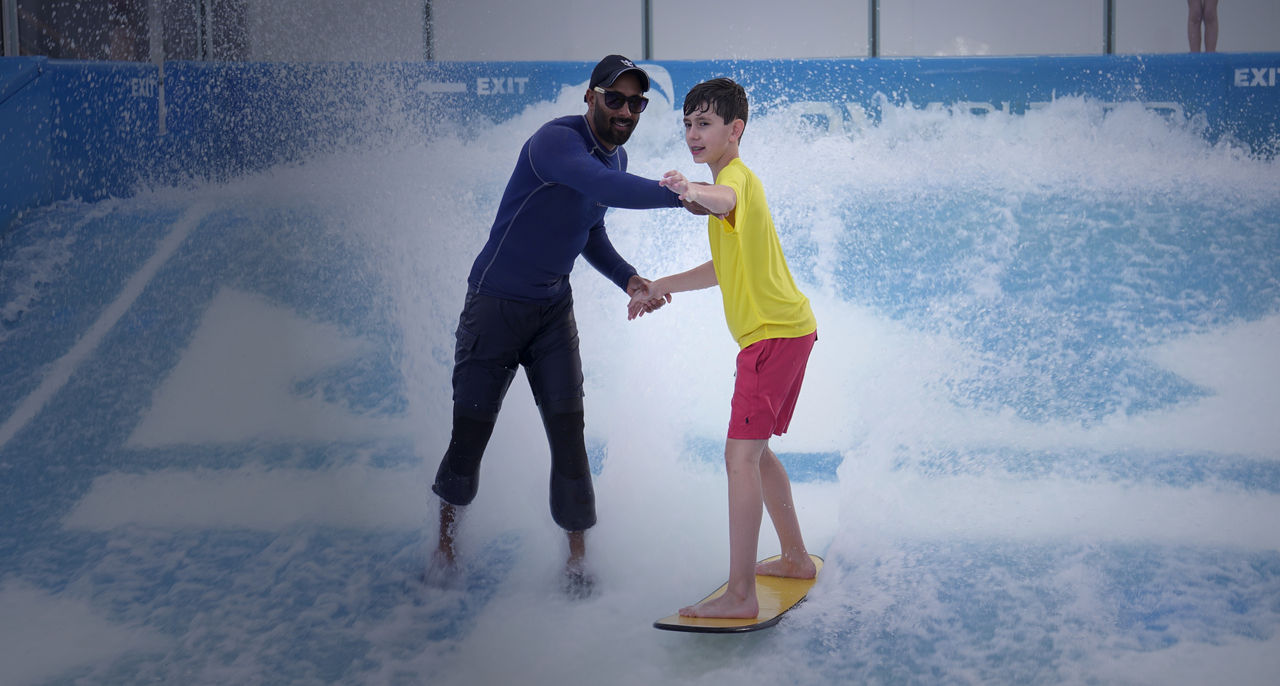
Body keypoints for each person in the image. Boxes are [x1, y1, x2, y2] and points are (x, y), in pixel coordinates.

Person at [429, 55, 681, 597]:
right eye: (614, 99)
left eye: (636, 103)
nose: (625, 111)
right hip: (495, 307)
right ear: (589, 97)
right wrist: (686, 195)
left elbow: (590, 229)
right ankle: (444, 549)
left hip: (552, 314)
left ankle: (577, 564)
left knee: (569, 436)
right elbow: (603, 186)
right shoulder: (555, 142)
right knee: (470, 436)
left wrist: (629, 279)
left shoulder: (616, 159)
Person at [628, 78, 818, 618]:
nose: (693, 133)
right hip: (789, 331)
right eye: (688, 124)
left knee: (739, 458)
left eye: (705, 123)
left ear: (735, 130)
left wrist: (690, 189)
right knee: (755, 454)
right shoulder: (731, 190)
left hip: (772, 339)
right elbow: (721, 267)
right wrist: (660, 285)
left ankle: (740, 595)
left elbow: (721, 197)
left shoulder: (733, 181)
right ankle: (796, 558)